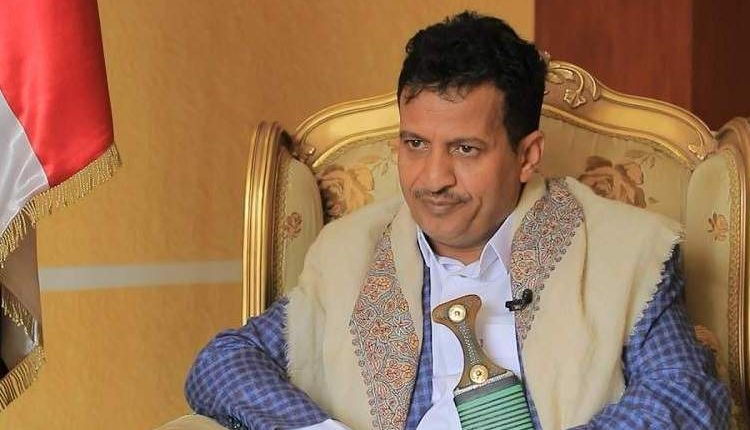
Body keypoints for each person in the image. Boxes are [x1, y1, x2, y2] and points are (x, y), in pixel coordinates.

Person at [185, 11, 730, 430]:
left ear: (527, 155)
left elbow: (685, 394)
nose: (432, 178)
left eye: (465, 149)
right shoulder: (347, 254)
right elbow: (223, 364)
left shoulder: (625, 252)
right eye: (415, 144)